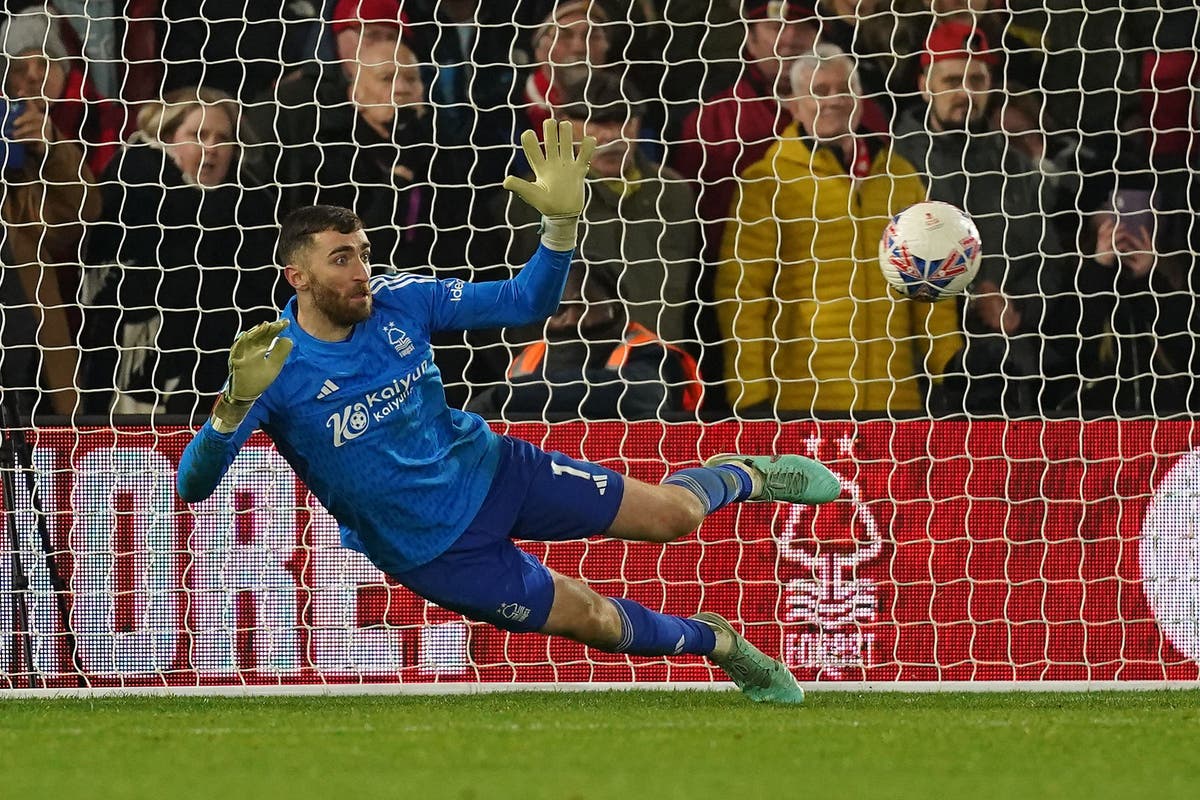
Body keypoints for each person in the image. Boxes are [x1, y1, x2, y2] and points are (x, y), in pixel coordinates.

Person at [176, 120, 843, 704]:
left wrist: (559, 227)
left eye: (364, 254)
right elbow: (192, 486)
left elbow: (525, 305)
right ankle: (720, 645)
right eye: (342, 259)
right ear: (298, 277)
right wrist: (231, 409)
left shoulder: (402, 299)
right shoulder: (268, 367)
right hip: (432, 553)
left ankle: (747, 474)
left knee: (675, 516)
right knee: (594, 620)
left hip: (497, 471)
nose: (361, 272)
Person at [716, 45, 961, 416]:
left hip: (894, 400)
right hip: (800, 402)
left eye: (844, 89)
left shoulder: (901, 178)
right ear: (794, 103)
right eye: (820, 91)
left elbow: (929, 289)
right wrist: (749, 394)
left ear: (861, 98)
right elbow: (742, 295)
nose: (834, 101)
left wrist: (948, 375)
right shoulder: (766, 182)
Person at [892, 22, 1077, 414]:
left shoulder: (1019, 169)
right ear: (925, 83)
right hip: (923, 376)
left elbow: (1050, 262)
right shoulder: (892, 165)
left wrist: (1019, 304)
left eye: (977, 79)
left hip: (1014, 375)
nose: (966, 92)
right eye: (952, 79)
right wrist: (973, 297)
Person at [79, 86, 282, 417]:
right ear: (168, 138)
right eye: (198, 134)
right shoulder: (136, 185)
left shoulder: (252, 207)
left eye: (222, 137)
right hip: (130, 367)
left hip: (221, 374)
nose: (211, 148)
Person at [500, 70, 699, 349]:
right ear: (562, 124)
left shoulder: (675, 194)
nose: (611, 136)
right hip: (565, 379)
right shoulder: (528, 201)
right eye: (595, 122)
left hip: (659, 373)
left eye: (623, 122)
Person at [467, 261, 701, 420]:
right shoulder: (527, 358)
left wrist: (508, 396)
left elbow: (641, 396)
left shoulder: (650, 351)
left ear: (615, 305)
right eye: (559, 309)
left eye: (583, 304)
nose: (572, 318)